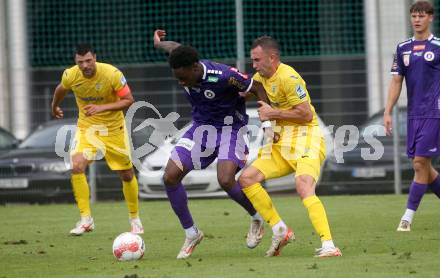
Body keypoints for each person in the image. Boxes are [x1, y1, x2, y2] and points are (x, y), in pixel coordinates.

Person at [153, 29, 272, 259]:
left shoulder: (224, 75)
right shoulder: (183, 63)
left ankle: (257, 217)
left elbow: (256, 87)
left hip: (231, 128)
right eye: (177, 77)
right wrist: (159, 43)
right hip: (201, 128)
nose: (181, 81)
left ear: (195, 67)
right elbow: (173, 48)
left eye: (183, 77)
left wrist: (267, 124)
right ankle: (192, 233)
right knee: (169, 176)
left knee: (225, 179)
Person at [238, 36, 342, 257]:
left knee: (303, 185)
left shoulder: (289, 77)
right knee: (246, 179)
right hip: (279, 144)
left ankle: (329, 245)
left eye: (257, 60)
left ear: (272, 57)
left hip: (307, 138)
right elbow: (245, 92)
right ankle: (280, 229)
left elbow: (305, 114)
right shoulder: (260, 77)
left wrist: (272, 113)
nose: (254, 65)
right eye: (252, 61)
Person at [51, 43, 144, 235]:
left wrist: (100, 108)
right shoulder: (70, 75)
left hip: (113, 130)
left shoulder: (112, 74)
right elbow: (61, 88)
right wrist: (54, 106)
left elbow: (129, 100)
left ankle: (134, 218)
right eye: (80, 62)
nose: (85, 65)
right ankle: (86, 219)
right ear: (76, 62)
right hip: (87, 129)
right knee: (76, 166)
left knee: (127, 175)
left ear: (95, 57)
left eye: (88, 61)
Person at [384, 1, 440, 232]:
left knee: (419, 164)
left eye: (421, 16)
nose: (417, 20)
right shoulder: (402, 48)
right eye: (414, 16)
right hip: (414, 114)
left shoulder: (438, 46)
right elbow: (396, 81)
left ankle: (406, 218)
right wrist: (387, 111)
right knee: (426, 169)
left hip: (435, 113)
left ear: (430, 18)